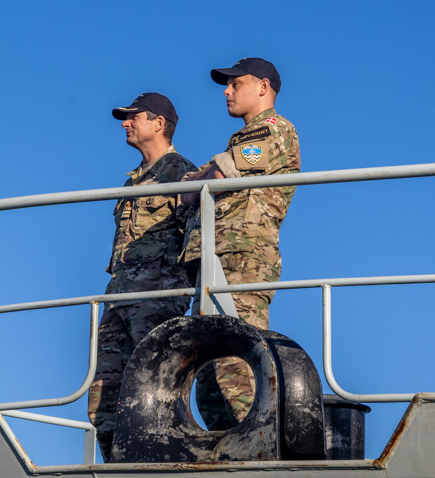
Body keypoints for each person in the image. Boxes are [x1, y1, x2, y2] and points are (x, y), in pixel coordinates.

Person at [180, 57, 301, 430]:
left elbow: (219, 175)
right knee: (212, 377)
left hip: (243, 260)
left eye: (236, 83)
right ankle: (231, 451)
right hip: (218, 260)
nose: (226, 90)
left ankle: (255, 451)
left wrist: (206, 173)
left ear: (263, 87)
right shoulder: (240, 139)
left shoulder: (272, 129)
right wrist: (204, 175)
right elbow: (187, 187)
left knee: (237, 367)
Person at [87, 92, 197, 461]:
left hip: (157, 302)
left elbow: (196, 241)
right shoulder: (133, 182)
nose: (125, 123)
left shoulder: (181, 173)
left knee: (156, 396)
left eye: (133, 117)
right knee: (104, 402)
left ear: (159, 124)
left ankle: (162, 466)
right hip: (118, 301)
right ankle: (120, 469)